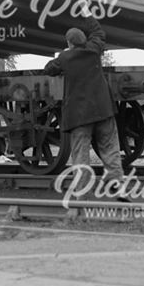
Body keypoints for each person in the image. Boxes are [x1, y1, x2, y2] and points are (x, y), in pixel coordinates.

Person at [44, 14, 127, 191]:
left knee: (80, 153)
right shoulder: (93, 49)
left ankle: (81, 191)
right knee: (110, 148)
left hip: (80, 115)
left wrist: (61, 60)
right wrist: (87, 14)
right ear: (84, 40)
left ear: (69, 43)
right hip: (103, 110)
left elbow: (49, 69)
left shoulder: (65, 58)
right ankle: (116, 182)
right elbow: (98, 32)